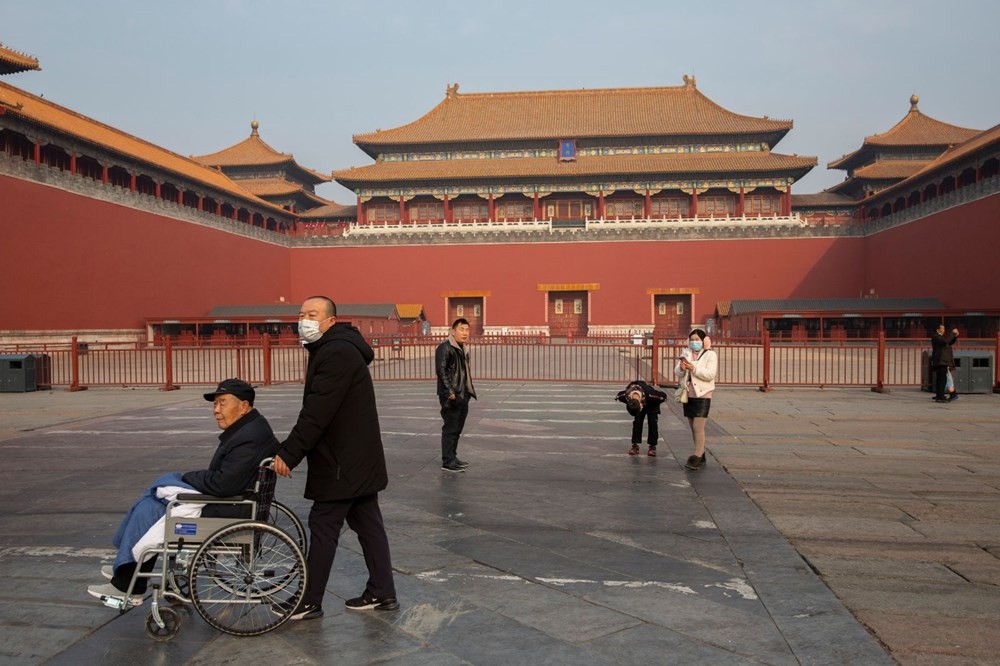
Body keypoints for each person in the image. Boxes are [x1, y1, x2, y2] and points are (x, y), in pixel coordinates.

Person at [88, 378, 279, 605]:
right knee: (152, 503)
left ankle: (130, 583)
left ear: (244, 406)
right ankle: (127, 567)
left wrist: (188, 478)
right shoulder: (250, 428)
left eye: (222, 403)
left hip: (229, 511)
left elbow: (224, 484)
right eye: (215, 404)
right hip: (232, 502)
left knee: (154, 508)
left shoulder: (248, 438)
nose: (216, 410)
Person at [274, 296, 398, 621]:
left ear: (330, 321)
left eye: (312, 314)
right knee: (368, 523)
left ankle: (308, 600)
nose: (304, 319)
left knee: (323, 523)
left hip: (343, 461)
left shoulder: (336, 352)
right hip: (355, 458)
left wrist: (289, 452)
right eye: (301, 314)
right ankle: (383, 591)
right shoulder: (334, 348)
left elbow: (317, 412)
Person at [435, 318, 478, 473]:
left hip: (462, 395)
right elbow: (441, 371)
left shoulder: (462, 348)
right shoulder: (445, 348)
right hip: (451, 396)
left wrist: (466, 394)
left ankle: (452, 457)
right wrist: (450, 392)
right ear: (452, 331)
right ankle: (447, 462)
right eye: (461, 329)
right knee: (450, 428)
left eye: (467, 330)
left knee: (457, 428)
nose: (465, 333)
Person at [675, 329, 718, 471]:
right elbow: (677, 372)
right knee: (692, 427)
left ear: (704, 341)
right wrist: (682, 368)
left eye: (698, 340)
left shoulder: (710, 355)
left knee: (698, 427)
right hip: (688, 394)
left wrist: (693, 369)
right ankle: (702, 454)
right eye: (692, 339)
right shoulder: (686, 353)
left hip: (703, 394)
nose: (694, 342)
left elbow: (710, 374)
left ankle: (697, 455)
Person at [615, 379, 667, 456]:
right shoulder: (625, 396)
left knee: (652, 423)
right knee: (637, 423)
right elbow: (618, 395)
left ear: (641, 405)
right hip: (637, 403)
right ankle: (635, 445)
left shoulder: (652, 395)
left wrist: (659, 402)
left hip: (652, 404)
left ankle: (652, 446)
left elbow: (663, 396)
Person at [930, 324, 959, 403]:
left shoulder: (941, 337)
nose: (944, 330)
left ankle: (940, 395)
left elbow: (948, 342)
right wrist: (952, 333)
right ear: (937, 330)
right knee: (942, 379)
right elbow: (946, 341)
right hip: (941, 361)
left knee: (941, 379)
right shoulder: (936, 337)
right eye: (942, 329)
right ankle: (940, 397)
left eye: (944, 329)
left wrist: (955, 336)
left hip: (943, 361)